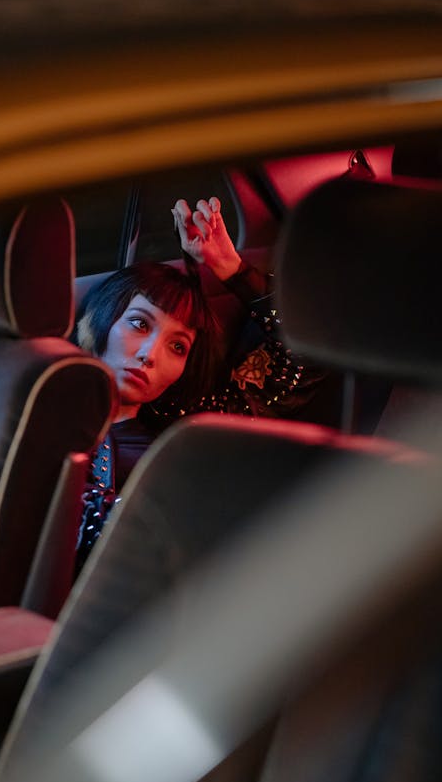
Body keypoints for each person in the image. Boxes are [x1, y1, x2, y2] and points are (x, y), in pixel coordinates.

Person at [74, 196, 329, 569]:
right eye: (139, 324)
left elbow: (309, 352)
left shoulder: (182, 428)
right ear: (101, 319)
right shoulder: (35, 407)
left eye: (177, 347)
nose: (150, 354)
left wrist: (232, 269)